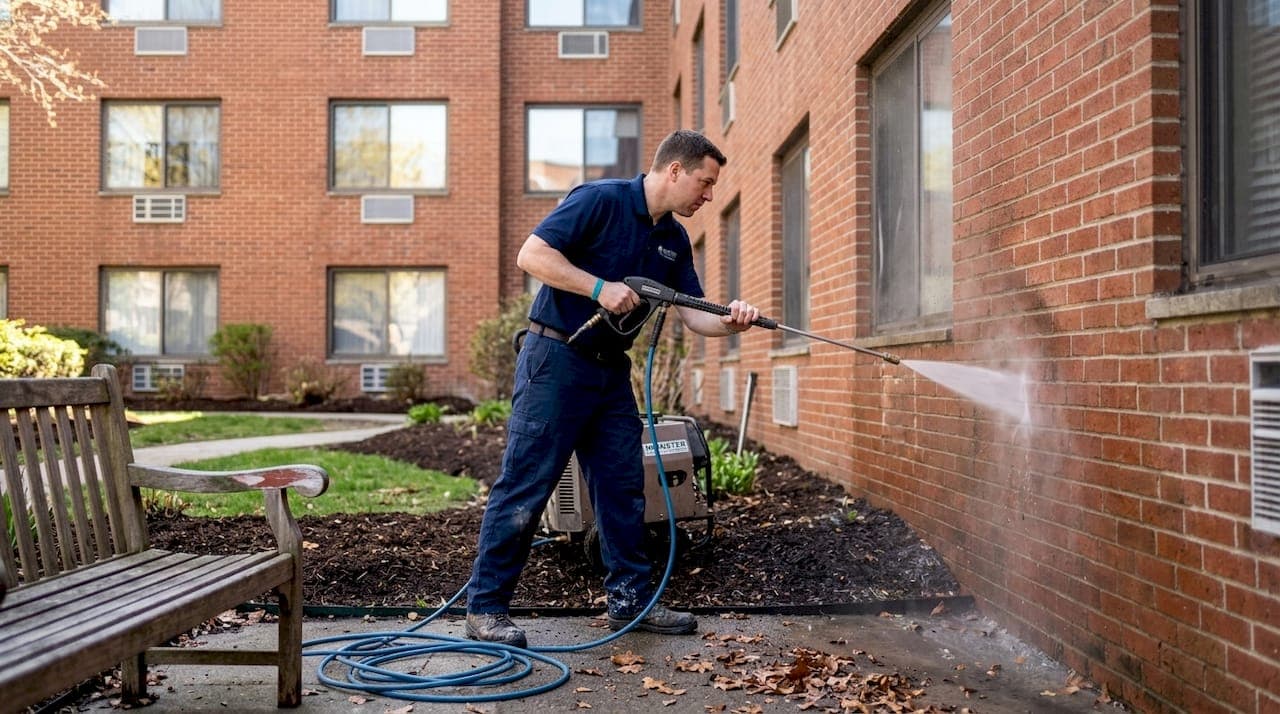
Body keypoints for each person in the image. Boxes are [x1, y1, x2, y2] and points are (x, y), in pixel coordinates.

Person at [464, 130, 760, 649]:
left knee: (623, 486)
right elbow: (531, 255)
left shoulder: (673, 240)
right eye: (705, 183)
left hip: (608, 371)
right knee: (526, 484)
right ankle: (486, 609)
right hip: (554, 360)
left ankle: (631, 601)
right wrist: (598, 287)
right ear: (674, 170)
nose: (708, 195)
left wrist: (732, 321)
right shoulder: (599, 201)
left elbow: (695, 314)